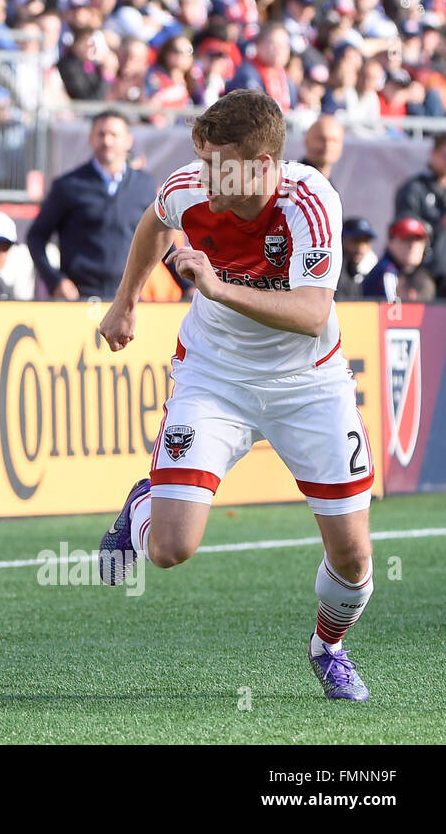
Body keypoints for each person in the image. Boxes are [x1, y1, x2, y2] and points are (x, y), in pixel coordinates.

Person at [97, 89, 376, 702]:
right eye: (202, 160)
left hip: (310, 382)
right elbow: (154, 221)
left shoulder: (310, 202)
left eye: (219, 164)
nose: (204, 176)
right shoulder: (189, 187)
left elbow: (310, 313)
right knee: (171, 549)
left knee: (354, 558)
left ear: (264, 165)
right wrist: (126, 302)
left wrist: (219, 289)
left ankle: (328, 647)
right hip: (214, 375)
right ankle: (145, 501)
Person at [27, 110, 156, 300]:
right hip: (79, 300)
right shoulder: (68, 185)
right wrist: (55, 280)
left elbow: (161, 240)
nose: (107, 141)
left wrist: (186, 285)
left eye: (114, 135)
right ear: (91, 139)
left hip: (130, 300)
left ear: (128, 140)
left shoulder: (144, 186)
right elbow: (36, 237)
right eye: (101, 134)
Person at [393, 132, 446, 293]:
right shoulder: (415, 188)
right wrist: (438, 225)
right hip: (424, 272)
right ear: (434, 153)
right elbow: (405, 227)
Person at [362, 217, 434, 302]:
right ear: (390, 243)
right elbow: (393, 312)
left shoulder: (411, 272)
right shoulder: (387, 271)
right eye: (407, 239)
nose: (412, 246)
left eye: (418, 240)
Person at [335, 217, 378, 301]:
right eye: (356, 240)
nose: (360, 248)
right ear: (342, 239)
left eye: (365, 241)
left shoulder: (359, 270)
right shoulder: (336, 270)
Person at [301, 114, 345, 179]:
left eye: (334, 140)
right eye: (321, 139)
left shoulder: (332, 183)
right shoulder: (295, 180)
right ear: (306, 141)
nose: (328, 146)